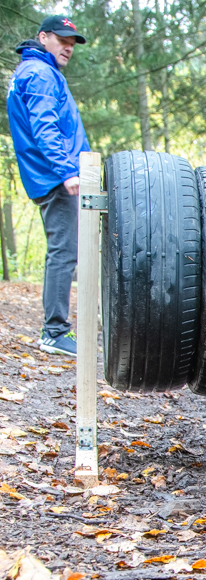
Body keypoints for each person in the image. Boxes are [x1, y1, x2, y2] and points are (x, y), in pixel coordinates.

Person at [6, 15, 90, 357]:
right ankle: (54, 331)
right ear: (43, 38)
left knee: (68, 249)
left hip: (54, 175)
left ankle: (59, 327)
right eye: (62, 40)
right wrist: (68, 170)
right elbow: (45, 128)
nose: (68, 48)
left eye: (72, 43)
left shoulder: (37, 72)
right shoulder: (40, 74)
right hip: (56, 178)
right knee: (64, 251)